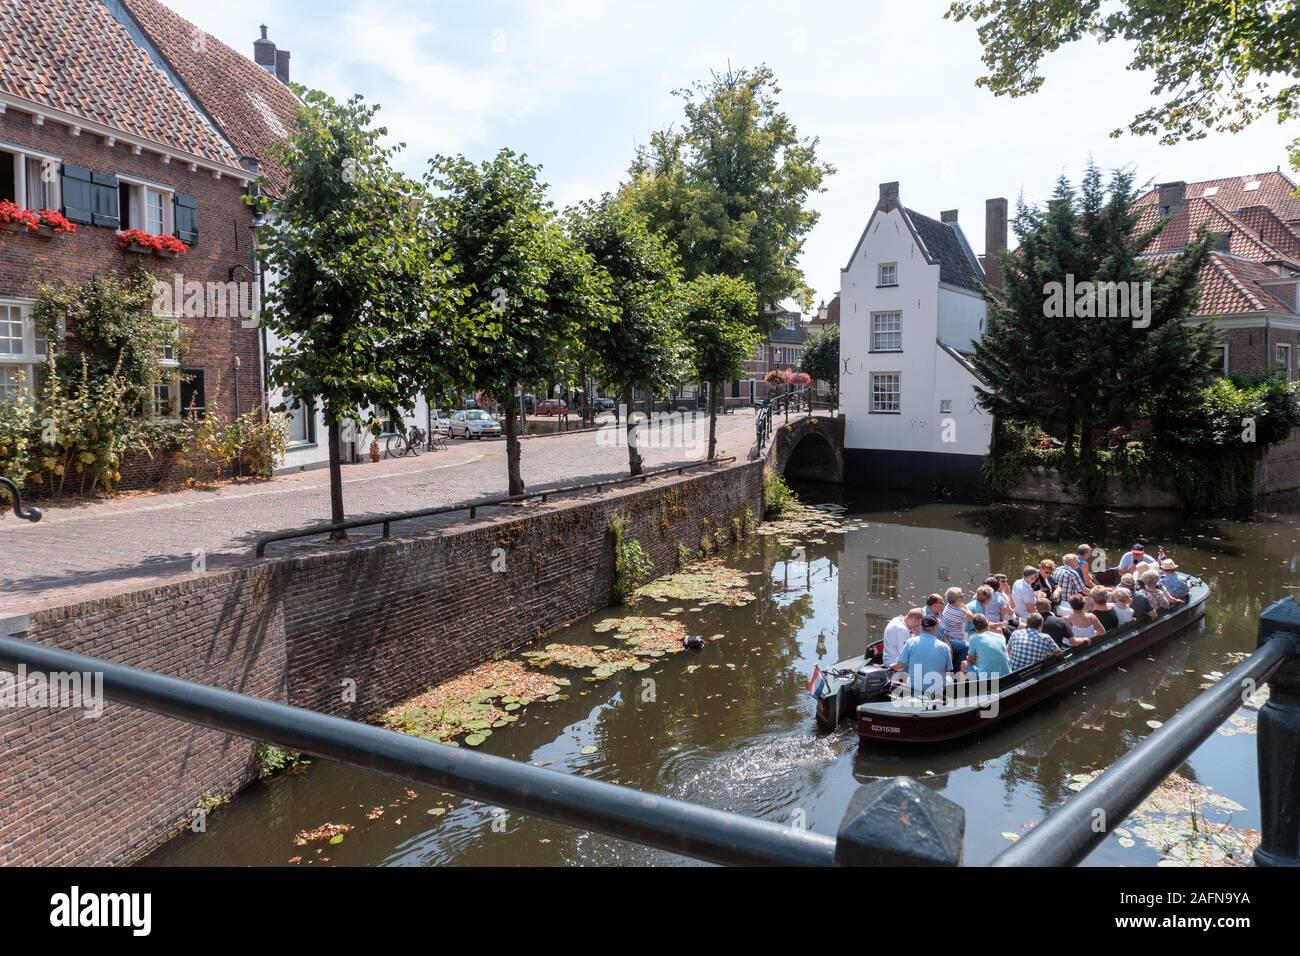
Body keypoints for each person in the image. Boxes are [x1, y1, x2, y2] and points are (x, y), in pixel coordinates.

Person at [892, 616, 954, 697]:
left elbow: (899, 665)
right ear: (936, 627)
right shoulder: (945, 647)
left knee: (902, 675)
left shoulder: (910, 642)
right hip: (936, 690)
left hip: (914, 688)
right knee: (949, 677)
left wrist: (889, 666)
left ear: (921, 627)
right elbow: (948, 669)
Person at [964, 614, 1011, 679]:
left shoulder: (974, 640)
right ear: (988, 625)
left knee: (964, 664)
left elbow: (970, 660)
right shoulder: (1001, 637)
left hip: (988, 681)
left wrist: (968, 658)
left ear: (974, 627)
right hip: (1007, 676)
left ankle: (973, 688)